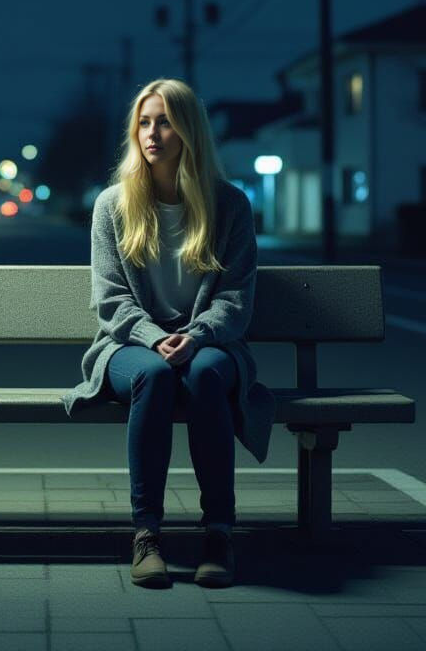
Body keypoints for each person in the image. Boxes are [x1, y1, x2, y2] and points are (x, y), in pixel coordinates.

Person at [61, 77, 276, 589]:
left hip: (212, 345)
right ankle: (146, 535)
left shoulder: (229, 206)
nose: (151, 132)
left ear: (189, 132)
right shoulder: (113, 205)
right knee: (154, 376)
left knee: (204, 377)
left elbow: (235, 299)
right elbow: (110, 299)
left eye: (164, 121)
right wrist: (155, 337)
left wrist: (197, 336)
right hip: (128, 345)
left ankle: (218, 533)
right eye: (144, 121)